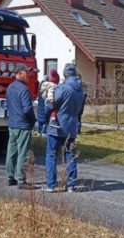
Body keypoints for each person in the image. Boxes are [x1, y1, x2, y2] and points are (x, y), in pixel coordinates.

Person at [43, 63, 85, 193]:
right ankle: (71, 185)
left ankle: (51, 184)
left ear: (65, 75)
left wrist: (45, 103)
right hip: (72, 126)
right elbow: (80, 111)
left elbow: (51, 104)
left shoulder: (63, 88)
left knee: (51, 155)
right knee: (70, 155)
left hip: (57, 126)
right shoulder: (81, 90)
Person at [5, 63, 36, 190]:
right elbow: (27, 109)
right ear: (20, 74)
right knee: (23, 152)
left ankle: (10, 177)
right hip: (23, 125)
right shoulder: (24, 90)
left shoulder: (10, 87)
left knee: (11, 151)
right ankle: (21, 179)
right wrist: (33, 120)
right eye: (26, 73)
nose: (29, 75)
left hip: (12, 124)